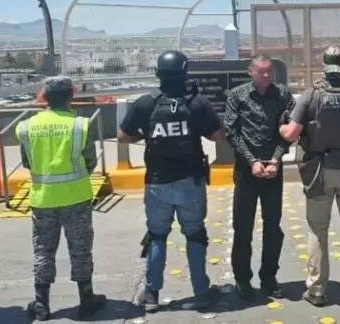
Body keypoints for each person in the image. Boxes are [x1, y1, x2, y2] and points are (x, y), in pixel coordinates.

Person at [117, 50, 225, 311]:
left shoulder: (145, 103)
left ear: (158, 74)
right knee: (195, 234)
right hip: (190, 181)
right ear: (184, 73)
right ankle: (201, 291)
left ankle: (151, 294)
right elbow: (218, 136)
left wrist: (144, 135)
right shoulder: (197, 103)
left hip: (157, 182)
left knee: (157, 236)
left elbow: (122, 136)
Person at [279, 45, 340, 306]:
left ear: (324, 64)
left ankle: (317, 289)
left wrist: (281, 125)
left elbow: (291, 134)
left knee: (317, 228)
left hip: (319, 172)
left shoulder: (312, 94)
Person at [16, 76, 106, 320]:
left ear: (45, 97)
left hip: (43, 199)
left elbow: (27, 162)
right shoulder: (80, 125)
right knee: (80, 249)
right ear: (70, 97)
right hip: (76, 197)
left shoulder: (26, 126)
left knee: (43, 250)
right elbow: (90, 161)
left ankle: (41, 304)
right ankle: (86, 300)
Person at [224, 54, 295, 300]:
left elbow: (289, 131)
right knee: (242, 227)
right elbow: (232, 132)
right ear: (250, 72)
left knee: (273, 227)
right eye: (261, 71)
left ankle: (269, 277)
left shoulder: (282, 94)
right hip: (247, 171)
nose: (266, 76)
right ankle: (243, 280)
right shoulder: (237, 95)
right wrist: (252, 161)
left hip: (273, 169)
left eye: (269, 71)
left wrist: (276, 159)